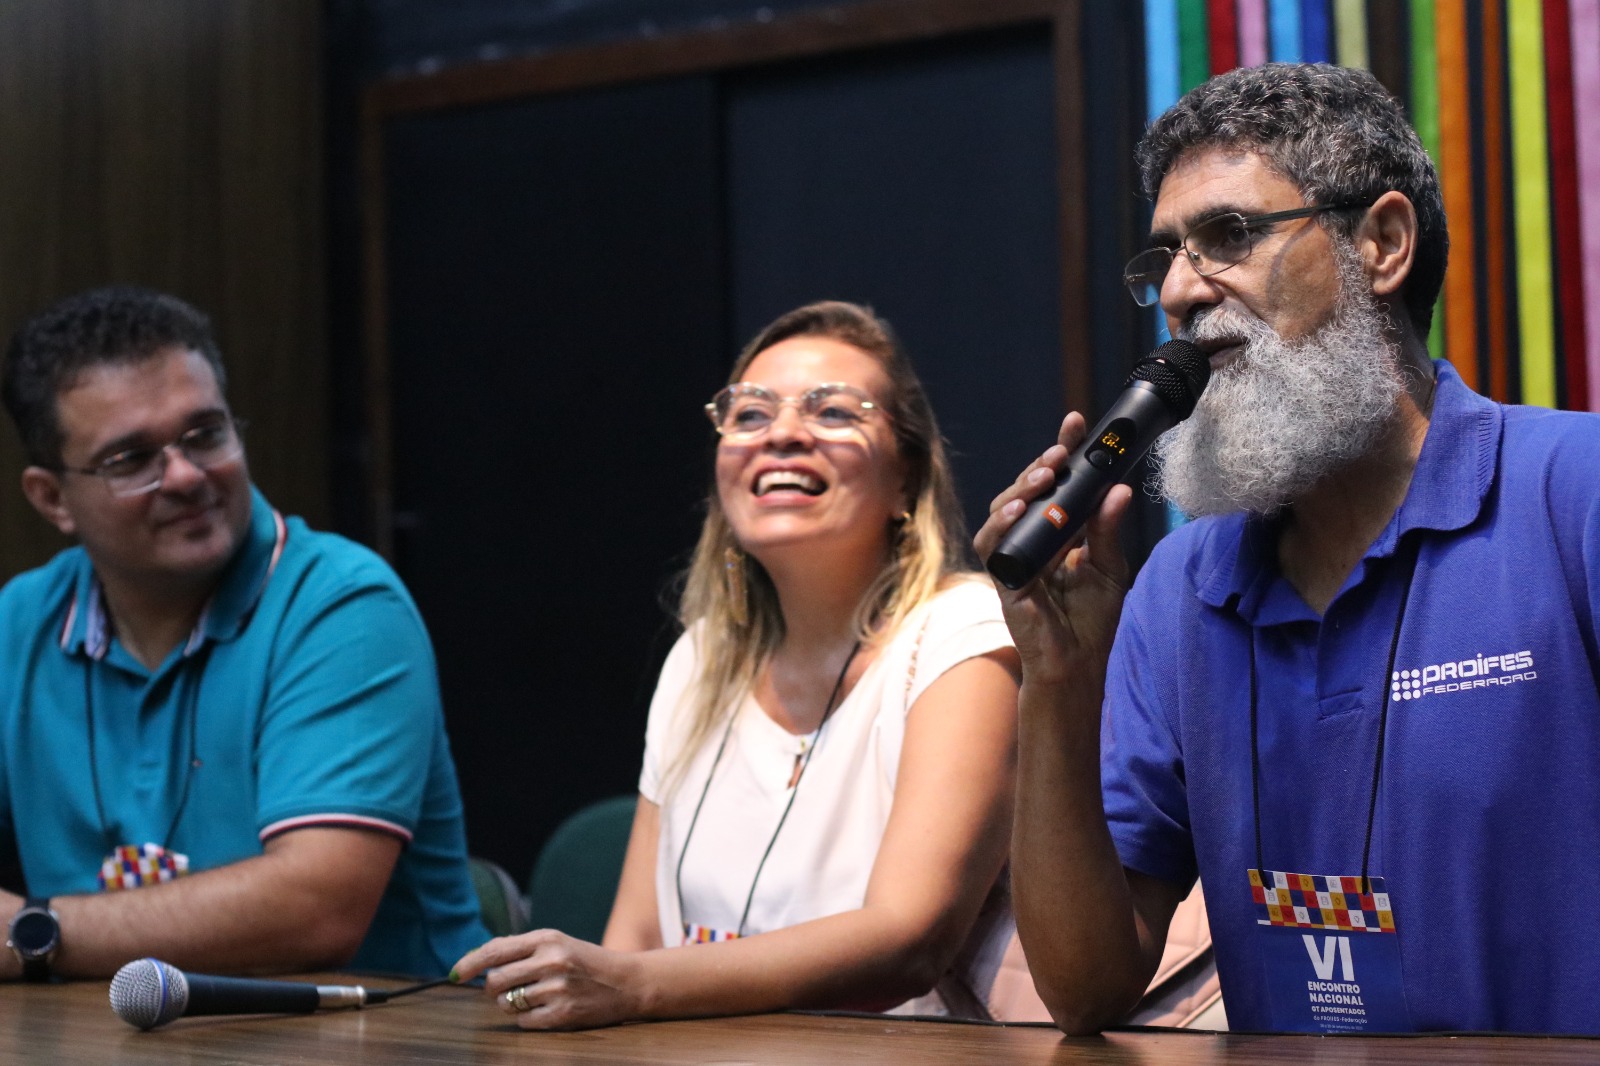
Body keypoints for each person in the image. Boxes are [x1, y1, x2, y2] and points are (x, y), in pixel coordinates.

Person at [978, 63, 1600, 1035]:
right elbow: (1086, 989)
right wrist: (1056, 681)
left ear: (1380, 244)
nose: (1179, 292)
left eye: (1229, 234)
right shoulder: (1176, 588)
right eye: (1165, 257)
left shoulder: (1576, 492)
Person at [452, 301, 1022, 1029]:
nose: (782, 433)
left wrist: (636, 987)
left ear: (907, 481)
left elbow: (907, 942)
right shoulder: (699, 659)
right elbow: (636, 937)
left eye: (833, 411)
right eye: (750, 414)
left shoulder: (964, 632)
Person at [0, 286, 488, 981]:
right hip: (116, 1027)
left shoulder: (343, 606)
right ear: (52, 499)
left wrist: (32, 933)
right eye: (131, 459)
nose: (184, 476)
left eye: (205, 434)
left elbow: (315, 910)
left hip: (387, 1028)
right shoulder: (21, 622)